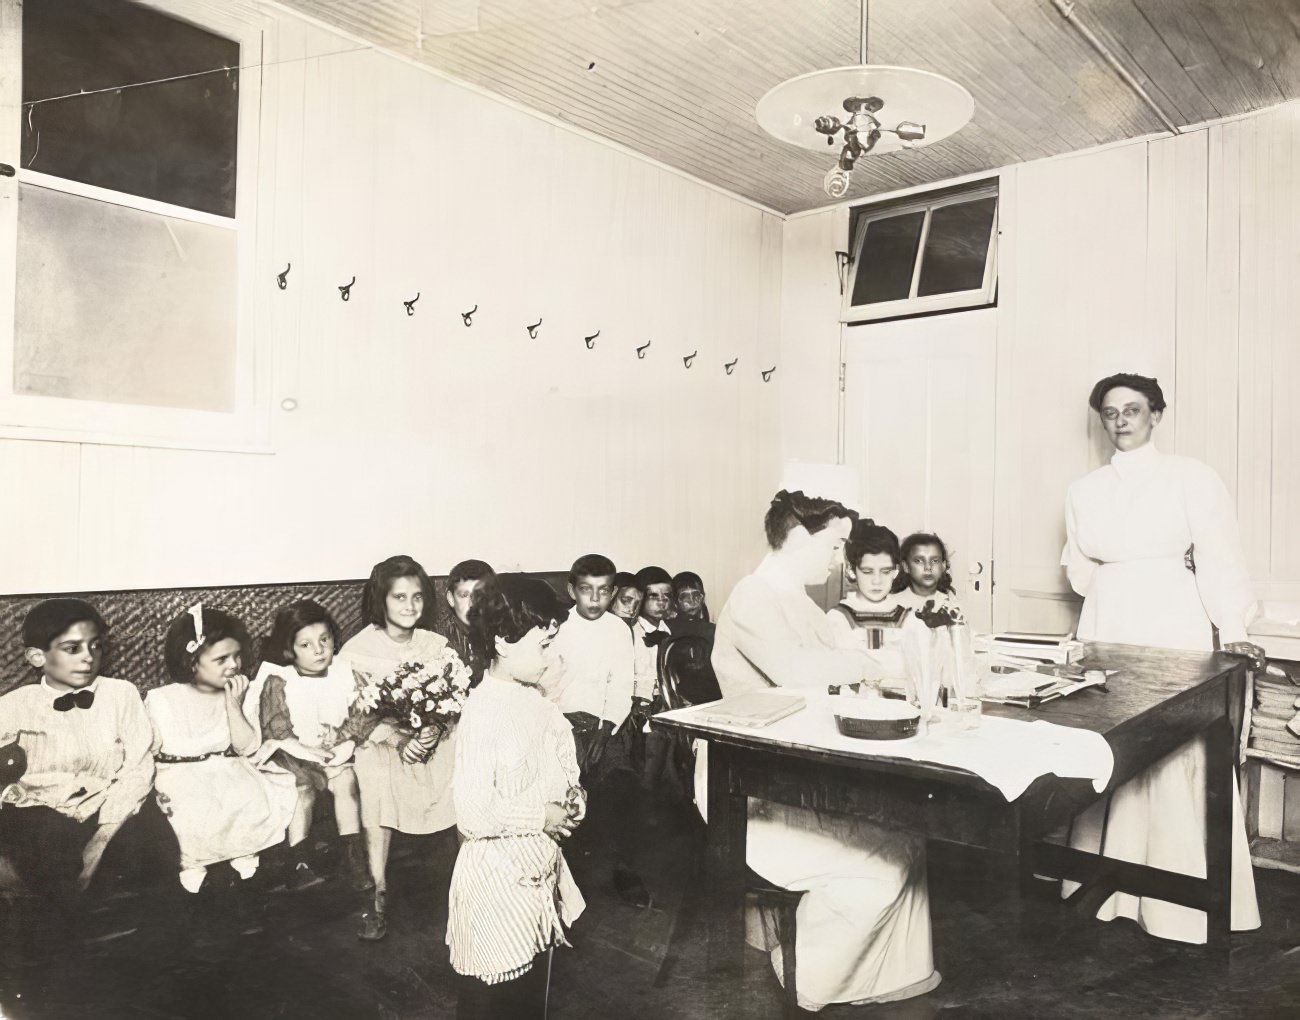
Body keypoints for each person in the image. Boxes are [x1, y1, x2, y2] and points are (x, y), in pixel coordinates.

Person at [704, 489, 939, 1011]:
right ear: (795, 537)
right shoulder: (752, 597)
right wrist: (874, 668)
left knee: (907, 838)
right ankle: (805, 978)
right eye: (835, 546)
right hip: (746, 786)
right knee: (878, 868)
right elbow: (802, 673)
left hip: (794, 770)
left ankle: (870, 981)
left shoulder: (797, 601)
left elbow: (836, 668)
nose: (840, 560)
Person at [1060, 372, 1262, 943]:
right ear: (1101, 420)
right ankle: (1107, 892)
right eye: (1110, 412)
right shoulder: (1085, 489)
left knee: (1174, 744)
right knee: (1112, 742)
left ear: (1156, 415)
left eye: (1133, 409)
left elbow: (1220, 554)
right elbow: (1080, 570)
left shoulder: (1191, 477)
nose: (1121, 420)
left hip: (1174, 617)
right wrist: (1113, 588)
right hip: (1109, 617)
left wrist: (1232, 624)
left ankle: (1179, 904)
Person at [448, 574, 586, 1020]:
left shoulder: (534, 699)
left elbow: (559, 765)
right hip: (494, 889)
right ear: (504, 642)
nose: (552, 657)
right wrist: (539, 816)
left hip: (533, 880)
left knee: (530, 1000)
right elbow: (471, 813)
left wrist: (572, 794)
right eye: (543, 645)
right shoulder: (484, 712)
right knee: (492, 1001)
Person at [0, 599, 162, 929]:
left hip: (107, 806)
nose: (89, 657)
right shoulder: (15, 705)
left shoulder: (121, 694)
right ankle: (62, 949)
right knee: (48, 852)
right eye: (73, 648)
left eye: (95, 646)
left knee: (157, 845)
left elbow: (138, 766)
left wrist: (102, 838)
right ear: (37, 657)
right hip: (41, 809)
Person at [146, 604, 296, 930]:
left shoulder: (239, 694)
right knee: (191, 813)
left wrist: (233, 705)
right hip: (179, 775)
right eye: (221, 659)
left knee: (245, 801)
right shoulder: (162, 698)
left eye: (237, 656)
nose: (234, 665)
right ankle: (194, 889)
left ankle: (245, 882)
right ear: (191, 661)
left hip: (228, 770)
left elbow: (247, 747)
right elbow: (150, 749)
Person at [342, 554, 461, 941]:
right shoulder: (358, 650)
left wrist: (435, 728)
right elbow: (355, 716)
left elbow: (452, 699)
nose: (409, 606)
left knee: (463, 756)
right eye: (399, 598)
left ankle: (469, 889)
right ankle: (377, 894)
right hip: (384, 740)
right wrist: (398, 739)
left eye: (417, 597)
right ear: (381, 600)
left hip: (429, 739)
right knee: (373, 769)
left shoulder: (435, 645)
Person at [542, 554, 647, 907]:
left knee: (623, 784)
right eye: (586, 590)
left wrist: (604, 732)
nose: (594, 599)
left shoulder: (619, 629)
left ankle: (624, 868)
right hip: (561, 724)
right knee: (564, 791)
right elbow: (549, 687)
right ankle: (562, 876)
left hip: (605, 724)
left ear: (613, 592)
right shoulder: (557, 626)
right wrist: (565, 732)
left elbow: (620, 686)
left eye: (603, 591)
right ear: (572, 590)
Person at [255, 600, 370, 890]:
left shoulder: (347, 673)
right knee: (301, 789)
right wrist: (307, 752)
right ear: (288, 649)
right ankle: (300, 861)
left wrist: (344, 741)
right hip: (293, 754)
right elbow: (277, 728)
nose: (319, 650)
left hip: (333, 752)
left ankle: (353, 856)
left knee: (345, 781)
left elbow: (360, 714)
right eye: (305, 645)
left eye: (324, 640)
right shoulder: (280, 680)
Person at [826, 521, 909, 683]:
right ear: (851, 571)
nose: (877, 581)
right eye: (867, 572)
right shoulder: (838, 618)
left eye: (885, 572)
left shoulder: (908, 619)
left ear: (896, 571)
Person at [435, 559, 495, 687]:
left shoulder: (502, 636)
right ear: (451, 599)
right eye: (464, 595)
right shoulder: (436, 641)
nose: (472, 604)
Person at [893, 533, 960, 613]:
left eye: (935, 561)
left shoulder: (951, 604)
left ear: (943, 566)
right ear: (906, 566)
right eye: (919, 561)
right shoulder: (894, 604)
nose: (928, 567)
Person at [668, 571, 714, 640]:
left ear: (703, 597)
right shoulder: (666, 631)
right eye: (685, 597)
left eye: (696, 595)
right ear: (675, 602)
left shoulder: (712, 630)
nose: (692, 601)